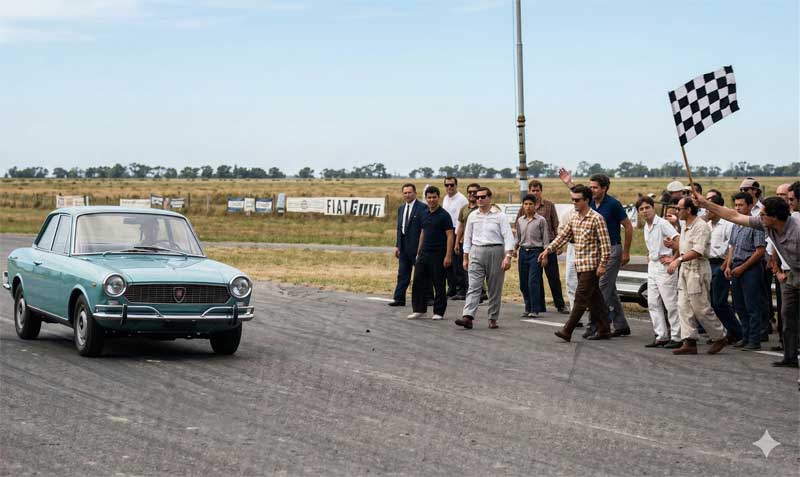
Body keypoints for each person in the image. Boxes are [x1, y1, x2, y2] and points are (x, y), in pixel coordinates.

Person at [694, 192, 799, 368]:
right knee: (787, 315)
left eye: (764, 214)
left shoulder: (797, 231)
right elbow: (734, 216)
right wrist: (706, 204)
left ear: (775, 217)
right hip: (794, 273)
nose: (760, 216)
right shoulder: (765, 224)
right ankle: (789, 357)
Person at [559, 169, 633, 337]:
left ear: (604, 188)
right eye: (590, 187)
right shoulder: (590, 202)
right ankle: (620, 325)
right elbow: (580, 195)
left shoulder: (613, 204)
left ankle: (595, 326)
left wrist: (626, 252)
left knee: (601, 287)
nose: (591, 190)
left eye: (595, 187)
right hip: (596, 252)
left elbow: (628, 226)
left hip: (612, 249)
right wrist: (569, 183)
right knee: (608, 289)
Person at [540, 184, 612, 342]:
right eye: (572, 200)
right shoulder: (574, 218)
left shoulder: (597, 219)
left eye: (577, 200)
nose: (574, 203)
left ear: (587, 200)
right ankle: (605, 328)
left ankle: (568, 330)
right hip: (579, 264)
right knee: (594, 299)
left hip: (591, 266)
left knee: (581, 298)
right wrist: (548, 250)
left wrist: (602, 265)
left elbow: (606, 245)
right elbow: (563, 237)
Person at [665, 197, 727, 355]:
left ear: (688, 210)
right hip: (686, 268)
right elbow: (685, 246)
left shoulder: (701, 227)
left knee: (700, 307)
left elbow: (698, 250)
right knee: (683, 306)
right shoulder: (685, 225)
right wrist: (673, 246)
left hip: (697, 269)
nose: (676, 212)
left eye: (679, 209)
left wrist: (678, 260)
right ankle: (689, 341)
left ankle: (719, 336)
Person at [455, 187, 515, 330]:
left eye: (483, 197)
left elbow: (508, 237)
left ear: (489, 198)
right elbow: (467, 238)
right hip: (476, 251)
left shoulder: (499, 216)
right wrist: (465, 257)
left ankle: (493, 318)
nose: (479, 200)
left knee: (494, 287)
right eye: (478, 197)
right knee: (473, 286)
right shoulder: (473, 216)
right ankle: (468, 316)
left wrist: (508, 257)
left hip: (496, 250)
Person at [723, 192, 766, 350]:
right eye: (736, 205)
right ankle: (745, 336)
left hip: (750, 268)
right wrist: (728, 265)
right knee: (739, 305)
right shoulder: (735, 224)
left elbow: (760, 251)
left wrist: (742, 267)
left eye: (741, 205)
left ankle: (755, 339)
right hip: (736, 266)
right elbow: (732, 247)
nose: (738, 208)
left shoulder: (756, 224)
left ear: (749, 206)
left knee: (752, 305)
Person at [637, 196, 681, 348]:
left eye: (647, 207)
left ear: (653, 207)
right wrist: (650, 255)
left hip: (664, 267)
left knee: (670, 303)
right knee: (652, 302)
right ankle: (661, 335)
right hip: (653, 266)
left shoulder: (662, 224)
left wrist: (674, 258)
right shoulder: (646, 227)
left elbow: (679, 239)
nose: (645, 211)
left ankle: (677, 336)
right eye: (641, 209)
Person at [518, 179, 568, 314]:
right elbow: (519, 226)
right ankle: (538, 306)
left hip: (549, 245)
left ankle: (560, 304)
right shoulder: (524, 207)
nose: (535, 192)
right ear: (529, 191)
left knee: (553, 277)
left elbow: (556, 225)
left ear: (541, 191)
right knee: (534, 279)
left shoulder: (549, 205)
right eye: (532, 190)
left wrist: (558, 245)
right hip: (532, 248)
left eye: (537, 190)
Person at [407, 187, 454, 320]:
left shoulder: (444, 215)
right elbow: (423, 232)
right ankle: (419, 309)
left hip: (438, 254)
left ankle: (438, 311)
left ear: (438, 198)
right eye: (429, 197)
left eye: (434, 197)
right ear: (426, 198)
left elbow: (450, 235)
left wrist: (448, 255)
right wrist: (418, 251)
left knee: (438, 283)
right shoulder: (424, 213)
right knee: (418, 281)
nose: (431, 200)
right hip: (424, 253)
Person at [705, 193, 741, 345]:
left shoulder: (728, 225)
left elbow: (732, 248)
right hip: (708, 263)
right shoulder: (706, 225)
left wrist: (724, 266)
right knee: (712, 303)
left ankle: (737, 332)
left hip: (721, 264)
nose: (707, 211)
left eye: (710, 208)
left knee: (720, 302)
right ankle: (724, 333)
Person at [390, 184, 426, 307]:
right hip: (404, 246)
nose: (407, 195)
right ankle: (399, 299)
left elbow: (424, 229)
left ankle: (429, 298)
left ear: (415, 193)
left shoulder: (422, 208)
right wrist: (397, 245)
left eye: (409, 192)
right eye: (405, 193)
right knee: (403, 273)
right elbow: (399, 228)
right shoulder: (401, 208)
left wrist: (422, 248)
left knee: (422, 274)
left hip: (417, 246)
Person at [515, 194, 550, 318]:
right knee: (523, 282)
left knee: (533, 282)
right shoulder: (520, 220)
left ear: (535, 205)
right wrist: (513, 250)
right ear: (523, 206)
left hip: (536, 252)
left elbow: (545, 239)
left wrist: (545, 255)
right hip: (523, 252)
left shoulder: (541, 220)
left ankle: (535, 309)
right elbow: (518, 238)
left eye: (530, 204)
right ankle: (527, 306)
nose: (528, 207)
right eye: (525, 204)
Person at [442, 177, 469, 298]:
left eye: (451, 185)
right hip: (446, 231)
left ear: (456, 185)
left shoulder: (461, 199)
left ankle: (461, 289)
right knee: (448, 262)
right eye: (447, 185)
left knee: (458, 262)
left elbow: (461, 220)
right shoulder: (445, 198)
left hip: (457, 231)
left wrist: (458, 237)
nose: (449, 187)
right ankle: (451, 287)